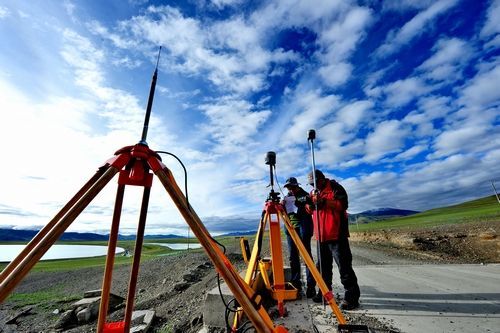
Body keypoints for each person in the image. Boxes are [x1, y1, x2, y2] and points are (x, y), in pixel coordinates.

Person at [305, 169, 360, 310]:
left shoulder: (336, 188)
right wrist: (310, 206)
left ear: (322, 179)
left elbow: (342, 205)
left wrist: (324, 202)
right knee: (323, 268)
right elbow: (310, 210)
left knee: (344, 267)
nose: (313, 187)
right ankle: (324, 292)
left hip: (337, 235)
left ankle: (352, 297)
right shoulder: (313, 193)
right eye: (311, 184)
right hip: (321, 237)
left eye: (315, 183)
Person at [281, 177, 316, 298]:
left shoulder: (305, 195)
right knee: (293, 257)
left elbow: (311, 207)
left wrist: (302, 203)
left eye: (292, 187)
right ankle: (296, 285)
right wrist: (282, 206)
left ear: (297, 186)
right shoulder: (286, 198)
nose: (290, 189)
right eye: (288, 187)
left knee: (306, 256)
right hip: (290, 228)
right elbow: (284, 212)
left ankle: (311, 287)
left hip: (303, 227)